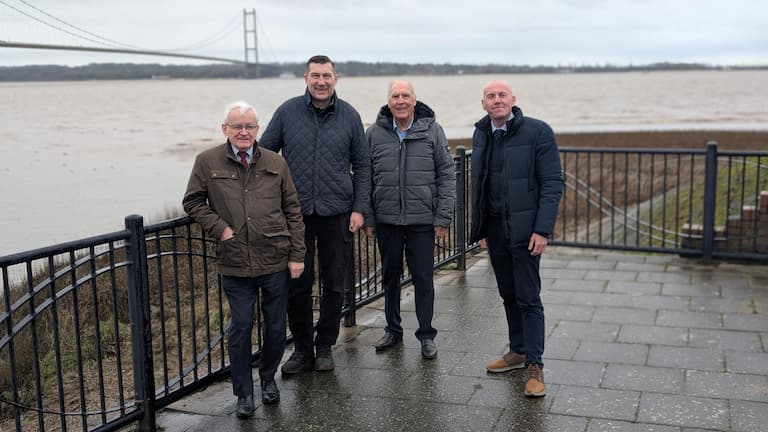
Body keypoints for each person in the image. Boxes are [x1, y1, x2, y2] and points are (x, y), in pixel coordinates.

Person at [182, 101, 305, 418]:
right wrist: (219, 227)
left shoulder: (277, 163)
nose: (243, 131)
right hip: (234, 261)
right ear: (224, 129)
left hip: (274, 259)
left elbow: (293, 211)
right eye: (236, 126)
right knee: (239, 328)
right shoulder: (206, 162)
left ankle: (268, 381)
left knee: (276, 327)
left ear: (258, 129)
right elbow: (193, 202)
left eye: (249, 126)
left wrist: (297, 256)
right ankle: (244, 394)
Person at [260, 55, 371, 374]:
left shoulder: (349, 115)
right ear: (305, 78)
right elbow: (266, 156)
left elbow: (363, 166)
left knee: (335, 283)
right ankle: (302, 350)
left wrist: (359, 208)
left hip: (337, 213)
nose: (321, 81)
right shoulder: (287, 111)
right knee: (298, 283)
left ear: (336, 78)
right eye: (315, 76)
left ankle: (325, 347)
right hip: (295, 215)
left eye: (327, 75)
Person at [469, 81, 563, 397]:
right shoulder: (481, 134)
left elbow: (551, 184)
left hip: (526, 233)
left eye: (502, 95)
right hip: (496, 232)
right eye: (491, 96)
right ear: (483, 103)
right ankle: (518, 351)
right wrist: (481, 229)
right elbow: (480, 185)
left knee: (528, 298)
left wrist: (542, 230)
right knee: (508, 295)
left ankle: (535, 366)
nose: (497, 100)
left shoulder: (537, 132)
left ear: (513, 100)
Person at [364, 80, 455, 359]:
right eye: (395, 96)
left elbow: (446, 174)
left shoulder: (432, 130)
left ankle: (426, 334)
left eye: (405, 95)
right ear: (389, 102)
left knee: (423, 279)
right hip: (387, 220)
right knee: (390, 278)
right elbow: (364, 178)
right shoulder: (374, 134)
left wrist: (442, 216)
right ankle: (393, 330)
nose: (400, 101)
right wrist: (368, 216)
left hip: (422, 221)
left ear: (414, 101)